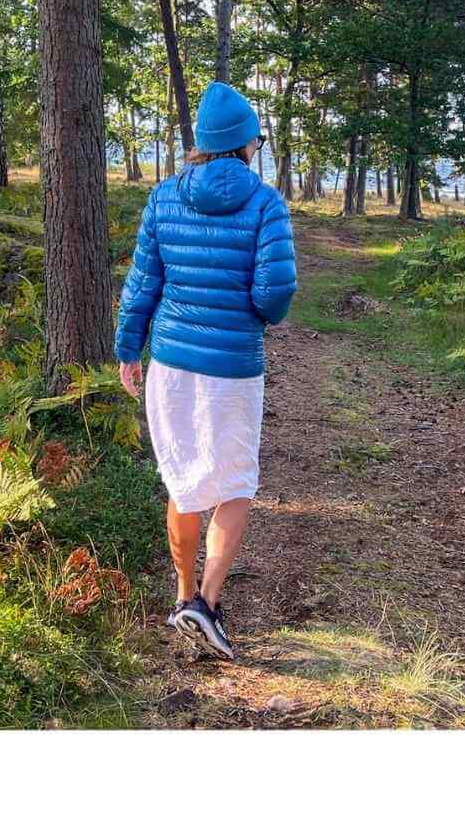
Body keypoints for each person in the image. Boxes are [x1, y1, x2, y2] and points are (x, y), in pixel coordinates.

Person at [113, 82, 297, 659]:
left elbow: (143, 282)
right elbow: (274, 299)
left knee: (184, 479)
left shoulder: (164, 199)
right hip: (233, 369)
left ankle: (182, 592)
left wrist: (127, 348)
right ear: (247, 144)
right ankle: (208, 604)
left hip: (169, 364)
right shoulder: (266, 203)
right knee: (235, 483)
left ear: (199, 143)